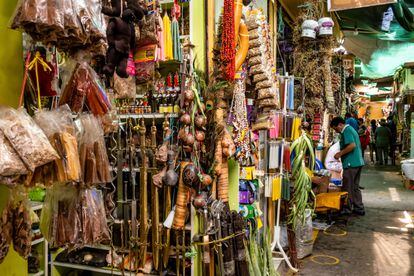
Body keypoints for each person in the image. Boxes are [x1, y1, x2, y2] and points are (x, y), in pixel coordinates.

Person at [330, 117, 365, 216]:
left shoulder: (346, 131)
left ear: (340, 125)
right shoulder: (351, 129)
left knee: (348, 187)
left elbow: (352, 145)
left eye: (336, 129)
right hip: (357, 162)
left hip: (351, 164)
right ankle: (359, 207)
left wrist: (340, 154)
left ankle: (347, 208)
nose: (336, 131)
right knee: (355, 187)